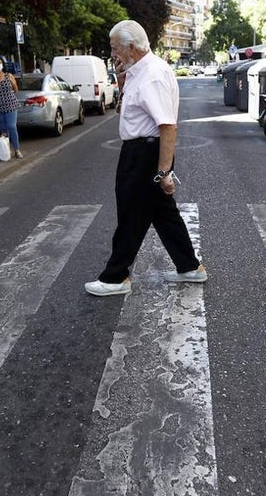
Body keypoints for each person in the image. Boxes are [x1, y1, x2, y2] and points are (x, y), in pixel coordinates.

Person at [85, 20, 206, 297]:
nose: (113, 53)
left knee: (131, 213)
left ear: (131, 47)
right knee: (162, 212)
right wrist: (121, 81)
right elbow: (125, 111)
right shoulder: (137, 72)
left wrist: (163, 172)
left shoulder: (152, 75)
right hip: (141, 151)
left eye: (116, 47)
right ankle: (189, 266)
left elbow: (168, 125)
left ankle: (116, 277)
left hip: (145, 155)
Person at [0, 56, 22, 159]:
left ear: (2, 64)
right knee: (3, 129)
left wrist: (14, 83)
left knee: (11, 126)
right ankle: (7, 150)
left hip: (10, 104)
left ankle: (17, 149)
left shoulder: (8, 75)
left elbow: (16, 90)